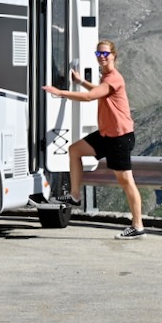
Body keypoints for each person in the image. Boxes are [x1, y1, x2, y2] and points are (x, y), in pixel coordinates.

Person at [42, 40, 145, 239]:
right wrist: (81, 82)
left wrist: (60, 93)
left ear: (114, 55)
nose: (102, 57)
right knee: (75, 151)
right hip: (107, 134)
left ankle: (138, 226)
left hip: (120, 137)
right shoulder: (106, 78)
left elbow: (91, 97)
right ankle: (75, 195)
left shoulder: (114, 78)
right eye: (99, 54)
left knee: (126, 181)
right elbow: (98, 91)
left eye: (105, 54)